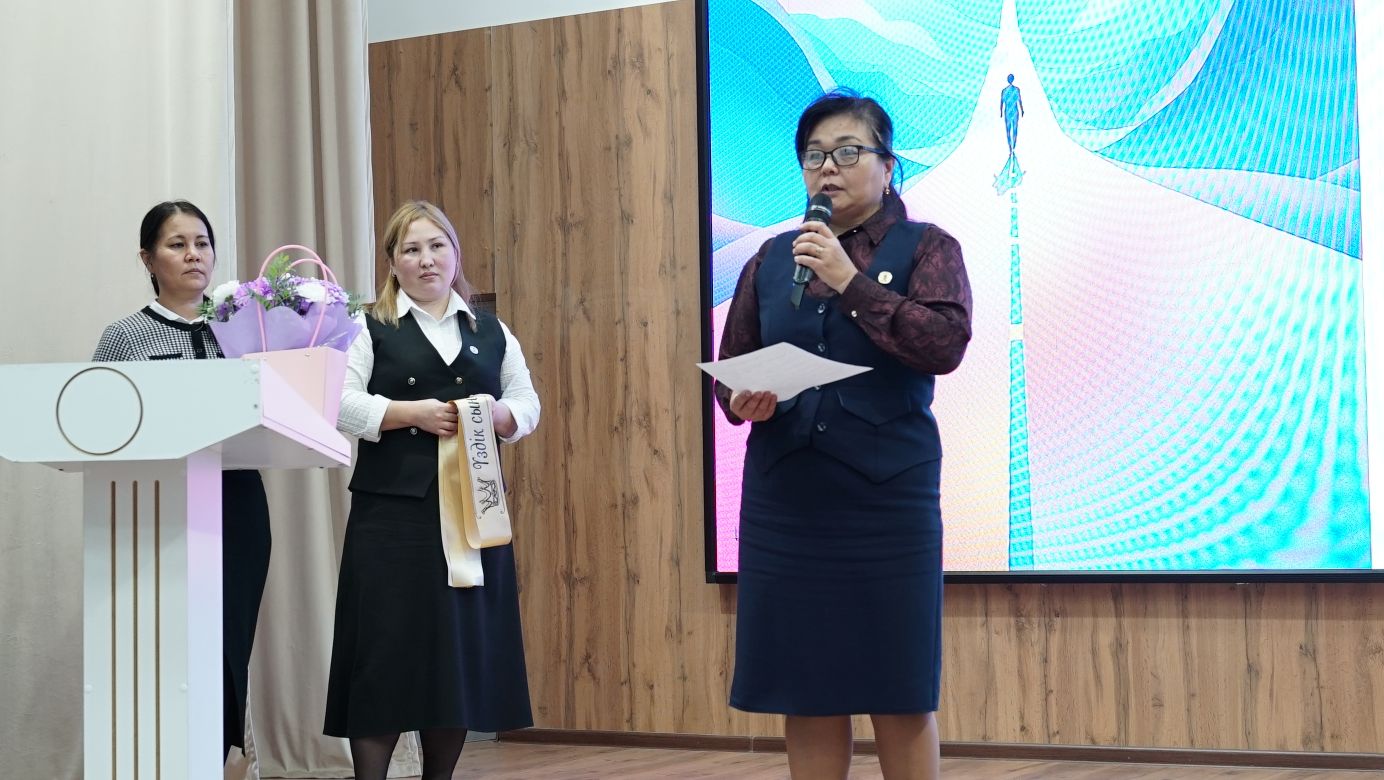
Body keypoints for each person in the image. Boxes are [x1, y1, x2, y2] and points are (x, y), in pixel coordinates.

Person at [715, 90, 972, 780]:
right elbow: (731, 372)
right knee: (807, 691)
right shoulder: (771, 259)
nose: (827, 168)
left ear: (887, 166)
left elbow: (943, 343)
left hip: (886, 506)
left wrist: (850, 282)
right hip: (787, 503)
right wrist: (743, 399)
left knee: (898, 690)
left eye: (847, 152)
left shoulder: (929, 248)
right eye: (814, 155)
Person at [324, 200, 541, 780]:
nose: (426, 260)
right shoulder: (367, 327)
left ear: (455, 254)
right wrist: (408, 413)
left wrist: (499, 416)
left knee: (455, 658)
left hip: (474, 517)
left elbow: (527, 403)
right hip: (391, 521)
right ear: (392, 262)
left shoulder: (491, 330)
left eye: (436, 246)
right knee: (384, 655)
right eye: (411, 249)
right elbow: (338, 403)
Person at [92, 200, 272, 761]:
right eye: (177, 244)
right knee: (169, 643)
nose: (194, 255)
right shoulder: (124, 336)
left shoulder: (243, 328)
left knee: (227, 641)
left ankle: (217, 757)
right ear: (148, 259)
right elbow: (98, 423)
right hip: (158, 505)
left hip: (237, 501)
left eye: (202, 243)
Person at [1001, 74, 1024, 153]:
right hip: (1014, 110)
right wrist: (1022, 110)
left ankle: (1011, 146)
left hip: (1008, 111)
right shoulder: (1016, 90)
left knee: (1009, 129)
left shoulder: (1004, 90)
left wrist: (1001, 111)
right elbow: (1019, 100)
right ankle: (1013, 145)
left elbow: (1002, 102)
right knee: (1014, 128)